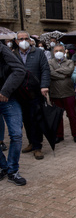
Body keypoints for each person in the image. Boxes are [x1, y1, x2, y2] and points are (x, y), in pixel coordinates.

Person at [13, 31, 50, 160]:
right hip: (20, 94)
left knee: (36, 119)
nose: (23, 41)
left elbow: (45, 69)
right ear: (16, 41)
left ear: (30, 40)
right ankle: (30, 142)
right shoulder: (13, 55)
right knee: (26, 120)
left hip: (35, 92)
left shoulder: (39, 53)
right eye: (20, 39)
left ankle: (37, 147)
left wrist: (44, 85)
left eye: (25, 38)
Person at [0, 42, 27, 185]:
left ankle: (12, 170)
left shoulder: (3, 50)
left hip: (8, 99)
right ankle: (3, 167)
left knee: (16, 134)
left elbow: (20, 70)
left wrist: (5, 90)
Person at [48, 44, 76, 144]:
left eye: (60, 50)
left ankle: (75, 134)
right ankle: (59, 135)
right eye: (56, 51)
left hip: (69, 93)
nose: (58, 53)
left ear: (64, 52)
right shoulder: (50, 62)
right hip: (56, 94)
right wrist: (64, 76)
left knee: (72, 115)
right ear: (53, 52)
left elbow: (70, 70)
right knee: (58, 116)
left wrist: (57, 71)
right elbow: (50, 73)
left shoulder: (69, 61)